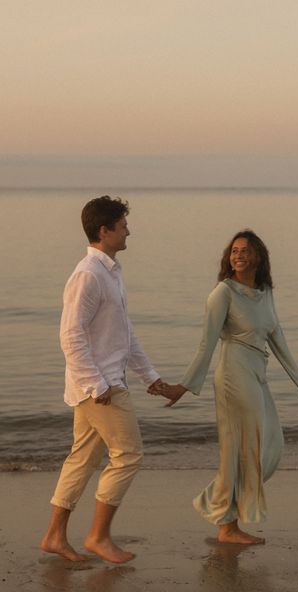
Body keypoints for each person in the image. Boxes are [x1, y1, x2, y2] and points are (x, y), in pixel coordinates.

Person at [153, 229, 298, 545]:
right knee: (240, 451)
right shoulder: (222, 293)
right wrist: (183, 387)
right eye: (234, 251)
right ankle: (226, 525)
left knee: (272, 446)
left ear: (258, 255)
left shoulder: (265, 292)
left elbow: (277, 335)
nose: (238, 255)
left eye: (244, 250)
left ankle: (216, 504)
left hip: (257, 375)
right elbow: (207, 343)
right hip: (233, 376)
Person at [40, 196, 172, 564]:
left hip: (103, 383)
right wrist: (96, 385)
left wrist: (151, 377)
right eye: (123, 224)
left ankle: (54, 536)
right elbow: (70, 334)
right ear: (105, 230)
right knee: (129, 454)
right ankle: (98, 536)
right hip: (100, 388)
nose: (129, 229)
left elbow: (123, 334)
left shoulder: (111, 271)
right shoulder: (88, 274)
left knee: (81, 460)